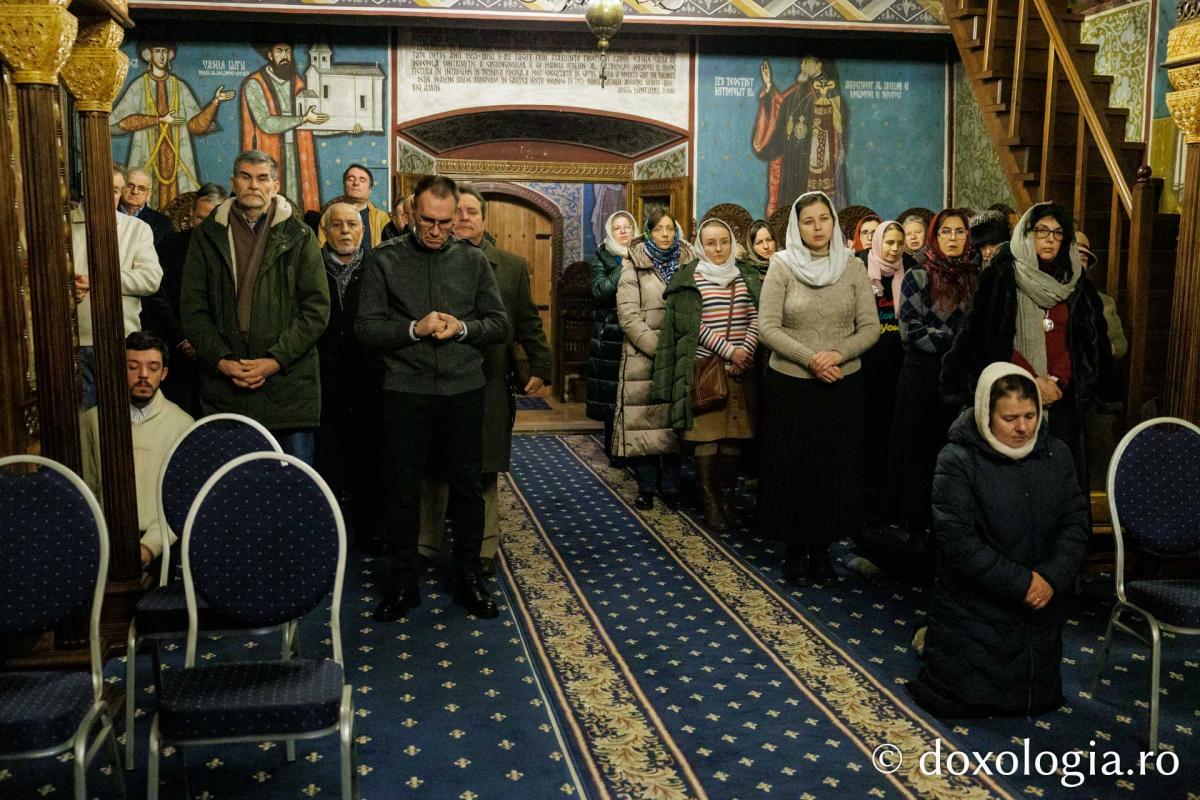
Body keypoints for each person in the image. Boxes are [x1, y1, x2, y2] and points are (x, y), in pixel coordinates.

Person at [355, 175, 509, 623]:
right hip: (405, 388)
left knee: (467, 488)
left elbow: (498, 324)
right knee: (402, 489)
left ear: (456, 214)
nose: (437, 231)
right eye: (427, 221)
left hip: (463, 388)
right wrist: (413, 329)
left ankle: (469, 576)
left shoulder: (473, 260)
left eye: (445, 222)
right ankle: (403, 582)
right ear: (411, 214)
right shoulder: (384, 259)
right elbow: (365, 329)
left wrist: (461, 329)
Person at [909, 363, 1088, 717]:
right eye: (1010, 418)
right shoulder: (957, 460)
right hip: (976, 604)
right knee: (969, 698)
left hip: (1041, 603)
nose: (1023, 428)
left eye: (1030, 416)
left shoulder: (1057, 454)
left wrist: (1050, 578)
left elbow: (1075, 523)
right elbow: (959, 542)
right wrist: (1023, 584)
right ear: (985, 414)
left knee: (1037, 701)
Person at [418, 185, 551, 575]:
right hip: (438, 377)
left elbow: (527, 321)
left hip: (490, 379)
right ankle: (426, 544)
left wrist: (540, 365)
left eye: (471, 212)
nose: (463, 218)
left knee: (484, 465)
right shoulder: (428, 261)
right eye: (457, 211)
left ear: (483, 218)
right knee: (435, 463)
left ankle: (483, 548)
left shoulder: (510, 266)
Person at [942, 202, 1115, 494]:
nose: (1050, 239)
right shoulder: (1000, 276)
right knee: (1012, 487)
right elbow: (988, 339)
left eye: (1058, 233)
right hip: (1011, 393)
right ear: (1026, 234)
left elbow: (1082, 342)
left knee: (1058, 483)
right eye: (1042, 231)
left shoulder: (1076, 283)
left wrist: (1056, 381)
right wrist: (1032, 381)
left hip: (1061, 397)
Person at [757, 191, 879, 585]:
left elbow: (870, 327)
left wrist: (838, 354)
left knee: (833, 472)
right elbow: (767, 327)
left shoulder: (853, 267)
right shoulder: (781, 265)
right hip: (792, 385)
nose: (817, 227)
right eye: (808, 221)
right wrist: (811, 359)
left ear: (833, 221)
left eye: (823, 218)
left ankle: (822, 551)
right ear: (797, 226)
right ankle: (796, 551)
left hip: (842, 384)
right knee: (795, 470)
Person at [180, 149, 329, 463]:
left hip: (288, 387)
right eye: (246, 177)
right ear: (233, 182)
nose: (253, 185)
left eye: (262, 178)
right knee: (226, 485)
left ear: (275, 185)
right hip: (225, 386)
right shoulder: (207, 235)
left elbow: (316, 310)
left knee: (292, 484)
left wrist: (275, 360)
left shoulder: (300, 235)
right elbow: (193, 309)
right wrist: (222, 361)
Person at [652, 218, 761, 530]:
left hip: (740, 371)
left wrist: (745, 351)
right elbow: (692, 324)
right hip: (704, 371)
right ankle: (710, 500)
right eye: (711, 243)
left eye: (724, 242)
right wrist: (730, 351)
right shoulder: (691, 279)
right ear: (701, 245)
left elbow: (757, 315)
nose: (718, 248)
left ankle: (726, 498)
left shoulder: (745, 276)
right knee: (707, 439)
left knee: (734, 438)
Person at [881, 208, 976, 549]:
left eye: (959, 232)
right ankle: (916, 527)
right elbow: (911, 332)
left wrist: (958, 342)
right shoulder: (918, 276)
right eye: (945, 232)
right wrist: (958, 341)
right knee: (918, 455)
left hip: (958, 381)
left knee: (953, 455)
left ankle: (948, 527)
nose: (953, 238)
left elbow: (979, 330)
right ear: (935, 237)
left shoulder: (973, 278)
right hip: (921, 379)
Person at [81, 331, 195, 569]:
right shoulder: (93, 420)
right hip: (102, 543)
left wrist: (149, 547)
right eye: (133, 367)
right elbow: (85, 490)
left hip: (162, 546)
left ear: (164, 373)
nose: (143, 375)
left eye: (153, 368)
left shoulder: (183, 424)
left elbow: (183, 502)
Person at [316, 202, 387, 554]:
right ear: (325, 230)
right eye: (338, 225)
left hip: (370, 384)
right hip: (323, 383)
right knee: (327, 463)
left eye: (352, 225)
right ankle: (328, 536)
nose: (345, 231)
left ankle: (370, 534)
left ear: (363, 230)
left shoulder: (379, 268)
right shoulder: (311, 267)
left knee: (370, 464)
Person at [615, 209, 695, 510]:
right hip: (644, 356)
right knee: (645, 421)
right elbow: (629, 316)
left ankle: (672, 486)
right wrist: (661, 350)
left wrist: (678, 349)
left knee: (671, 422)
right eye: (659, 229)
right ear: (649, 232)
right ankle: (646, 487)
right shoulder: (633, 265)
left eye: (670, 229)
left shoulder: (688, 263)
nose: (665, 234)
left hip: (679, 354)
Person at [74, 166, 164, 410]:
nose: (108, 196)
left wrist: (99, 280)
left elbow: (151, 279)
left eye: (114, 190)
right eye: (101, 188)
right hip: (72, 341)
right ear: (86, 189)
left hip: (119, 339)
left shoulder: (137, 229)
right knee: (79, 420)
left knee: (119, 416)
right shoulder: (63, 225)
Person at [110, 41, 235, 209]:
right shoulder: (139, 85)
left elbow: (195, 126)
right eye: (157, 51)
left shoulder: (179, 87)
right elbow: (122, 122)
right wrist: (159, 119)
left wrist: (215, 102)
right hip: (148, 155)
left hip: (177, 160)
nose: (161, 56)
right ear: (148, 55)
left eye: (165, 52)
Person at [140, 181, 226, 415]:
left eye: (212, 218)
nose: (205, 225)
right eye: (200, 218)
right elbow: (157, 296)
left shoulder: (234, 250)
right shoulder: (170, 246)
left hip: (220, 351)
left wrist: (206, 341)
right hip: (177, 348)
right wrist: (181, 339)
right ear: (191, 214)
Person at [859, 220, 911, 517]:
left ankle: (887, 499)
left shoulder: (911, 270)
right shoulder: (860, 267)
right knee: (869, 432)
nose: (894, 249)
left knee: (893, 432)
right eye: (889, 242)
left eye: (899, 243)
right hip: (867, 364)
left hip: (899, 364)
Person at [240, 43, 329, 213]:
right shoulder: (255, 83)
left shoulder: (298, 82)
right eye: (279, 51)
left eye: (288, 51)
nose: (285, 56)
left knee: (297, 200)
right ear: (270, 55)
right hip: (269, 151)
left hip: (297, 152)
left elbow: (316, 120)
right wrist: (302, 119)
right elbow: (266, 123)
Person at [753, 56, 848, 214]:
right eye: (802, 61)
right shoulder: (797, 91)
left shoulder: (828, 92)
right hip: (791, 164)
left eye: (807, 61)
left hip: (812, 168)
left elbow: (836, 133)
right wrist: (769, 88)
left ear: (819, 64)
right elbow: (780, 109)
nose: (802, 64)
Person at [587, 210, 637, 458]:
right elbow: (600, 290)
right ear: (610, 232)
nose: (623, 231)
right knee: (612, 394)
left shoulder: (643, 253)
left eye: (627, 226)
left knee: (634, 393)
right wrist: (622, 268)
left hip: (636, 330)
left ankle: (635, 450)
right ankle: (614, 451)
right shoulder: (601, 256)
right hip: (610, 333)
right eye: (617, 228)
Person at [317, 163, 391, 250]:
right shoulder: (329, 216)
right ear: (344, 186)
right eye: (351, 179)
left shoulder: (381, 218)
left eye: (362, 180)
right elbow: (322, 250)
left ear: (370, 189)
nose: (356, 183)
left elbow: (388, 251)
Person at [119, 166, 175, 243]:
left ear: (148, 195)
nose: (135, 192)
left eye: (141, 188)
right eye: (130, 186)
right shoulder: (108, 214)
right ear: (122, 188)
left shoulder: (162, 223)